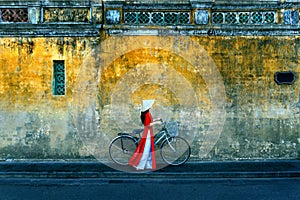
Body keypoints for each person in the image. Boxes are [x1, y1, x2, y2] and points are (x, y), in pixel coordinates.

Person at [128, 100, 162, 170]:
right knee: (146, 150)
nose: (151, 106)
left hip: (149, 132)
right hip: (148, 133)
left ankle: (148, 164)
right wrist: (157, 123)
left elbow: (150, 120)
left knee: (149, 149)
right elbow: (148, 124)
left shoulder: (148, 113)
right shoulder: (146, 114)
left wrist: (157, 119)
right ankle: (140, 165)